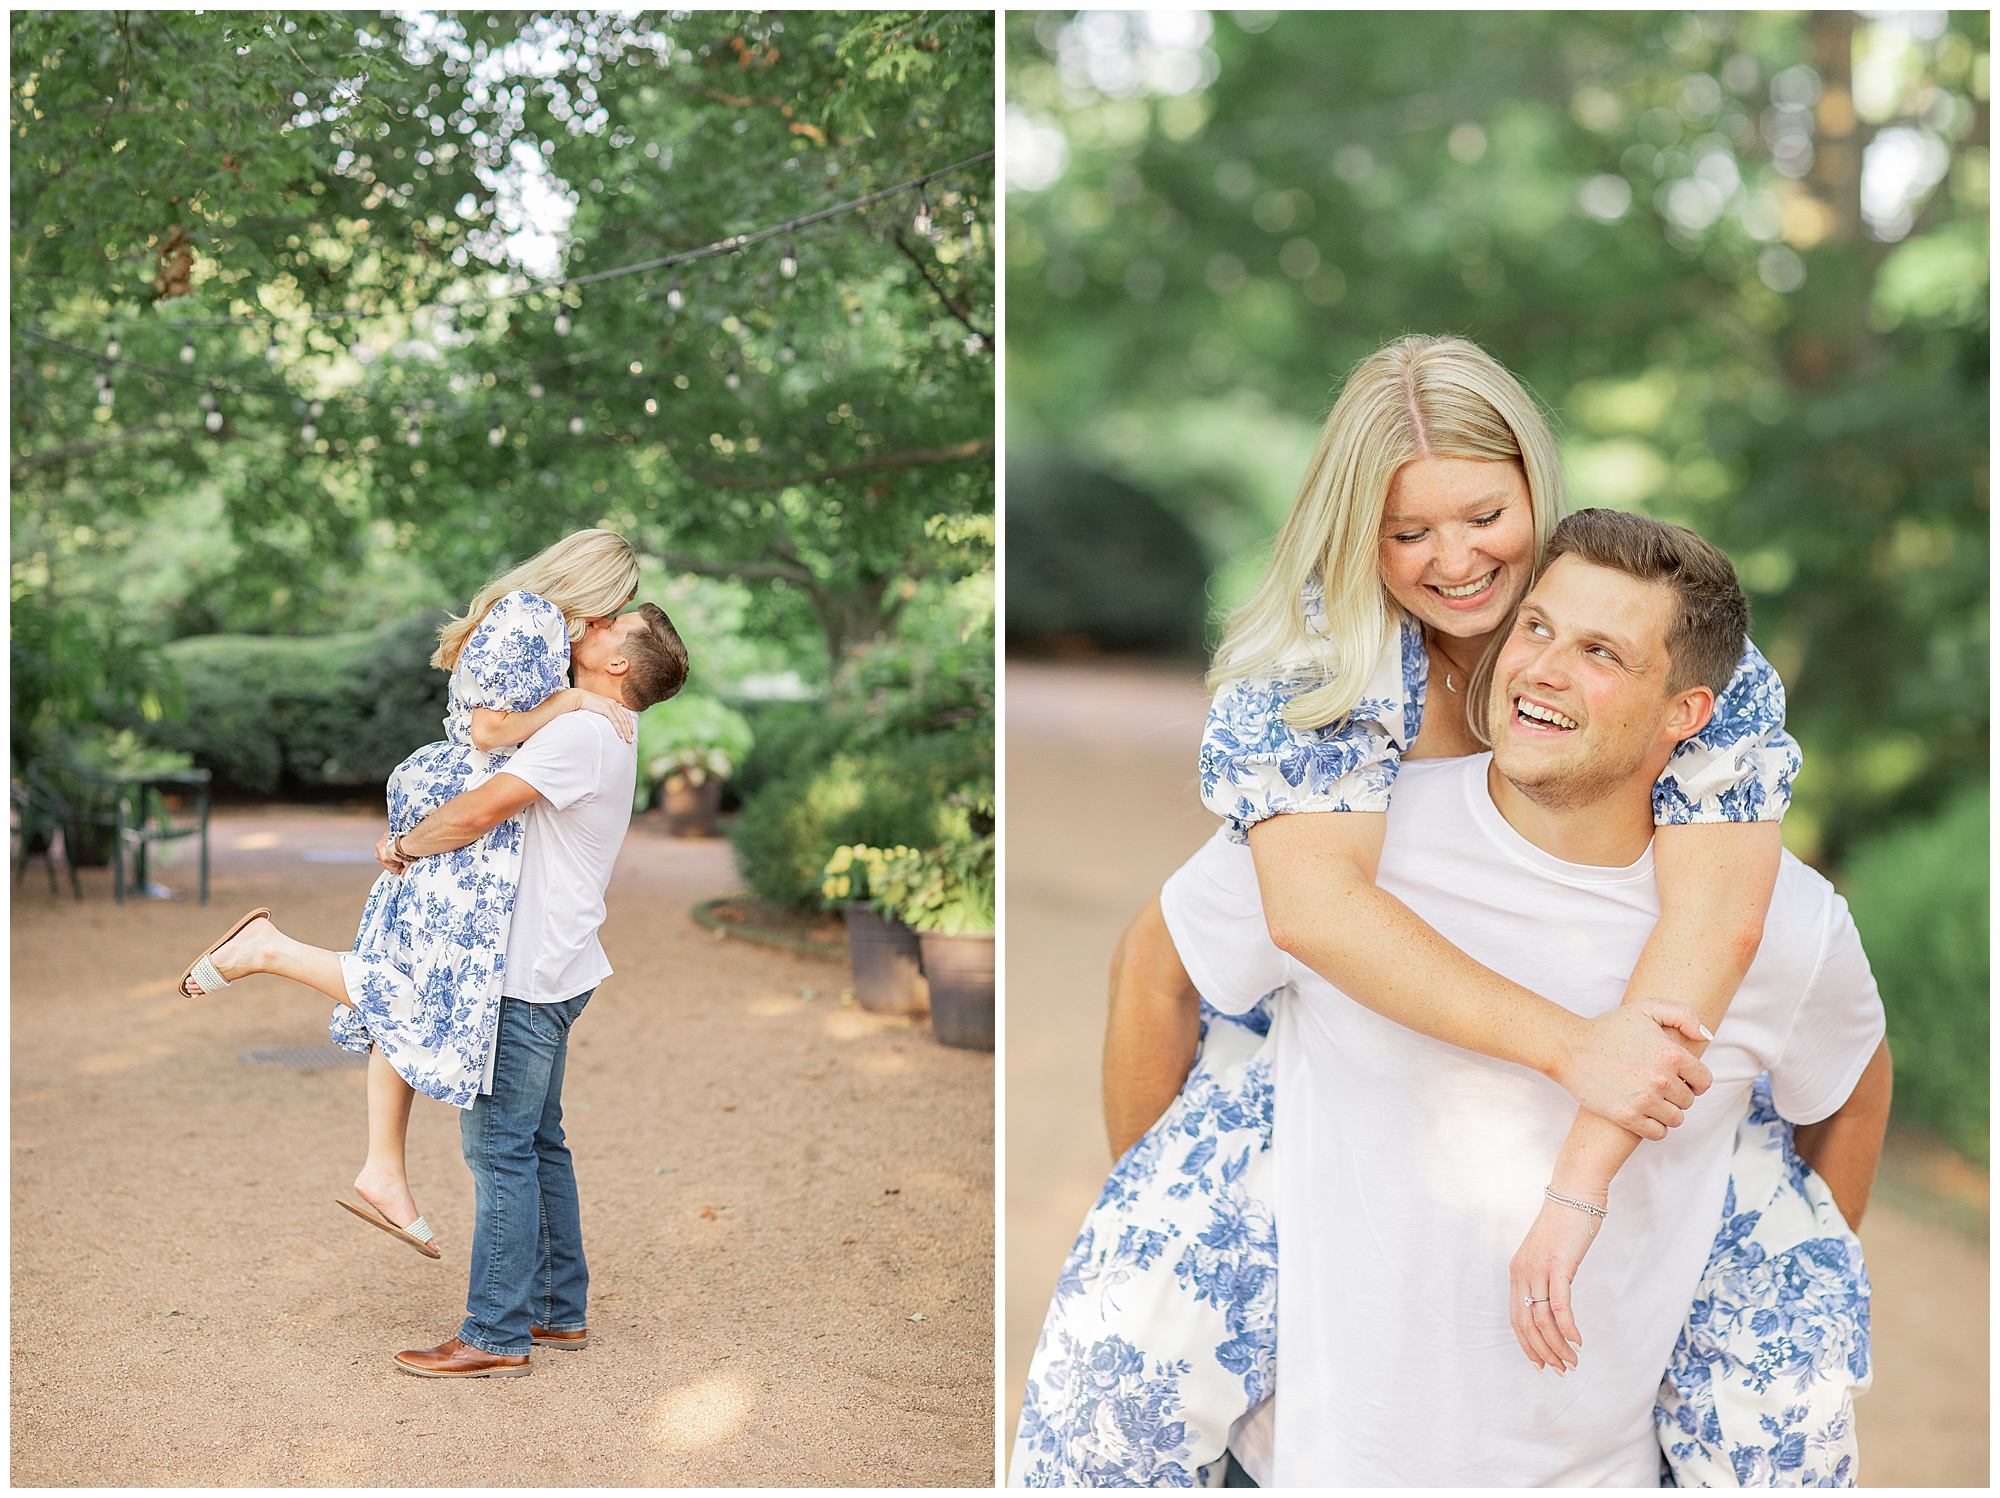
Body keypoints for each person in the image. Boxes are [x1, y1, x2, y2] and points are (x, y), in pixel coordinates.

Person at [1012, 338, 1805, 1486]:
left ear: (1536, 483)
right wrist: (1154, 1224)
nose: (1455, 562)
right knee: (1141, 1360)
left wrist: (1581, 1172)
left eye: (1483, 514)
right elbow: (1300, 916)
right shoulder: (1320, 664)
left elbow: (1716, 921)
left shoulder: (1663, 644)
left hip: (1580, 1119)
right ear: (1358, 533)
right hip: (1297, 1077)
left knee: (1753, 1367)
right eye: (1406, 532)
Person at [1163, 513, 1888, 1484]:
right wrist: (1169, 1252)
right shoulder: (1346, 844)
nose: (1541, 667)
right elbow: (1152, 980)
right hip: (1304, 1463)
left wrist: (1769, 1289)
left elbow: (1851, 1085)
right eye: (1537, 627)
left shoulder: (1781, 921)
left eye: (1599, 652)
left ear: (1685, 713)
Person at [176, 530, 649, 1256]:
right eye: (616, 605)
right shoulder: (534, 617)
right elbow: (492, 729)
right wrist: (577, 706)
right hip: (464, 798)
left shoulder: (542, 622)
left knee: (416, 984)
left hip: (463, 798)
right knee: (425, 991)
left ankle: (382, 1171)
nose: (612, 617)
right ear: (594, 586)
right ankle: (268, 950)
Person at [388, 599, 684, 1375]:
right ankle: (557, 1312)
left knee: (499, 1149)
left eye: (607, 625)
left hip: (527, 973)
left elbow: (482, 809)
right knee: (538, 1140)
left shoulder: (585, 731)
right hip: (561, 963)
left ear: (618, 663)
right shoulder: (601, 723)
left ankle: (494, 1334)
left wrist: (402, 847)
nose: (587, 624)